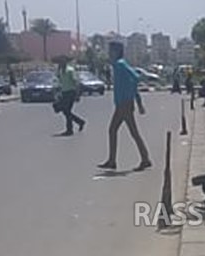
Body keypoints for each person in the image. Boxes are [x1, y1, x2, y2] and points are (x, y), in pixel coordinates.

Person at [98, 42, 152, 171]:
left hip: (124, 104)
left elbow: (135, 78)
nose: (109, 53)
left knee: (127, 131)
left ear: (116, 51)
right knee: (116, 130)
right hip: (122, 104)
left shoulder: (120, 64)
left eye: (111, 51)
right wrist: (138, 102)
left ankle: (144, 159)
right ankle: (113, 160)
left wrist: (137, 101)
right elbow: (133, 81)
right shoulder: (118, 65)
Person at [56, 58, 86, 136]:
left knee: (66, 110)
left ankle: (70, 130)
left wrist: (77, 94)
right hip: (64, 93)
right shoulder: (60, 71)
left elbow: (75, 82)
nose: (61, 64)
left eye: (62, 62)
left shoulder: (70, 70)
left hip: (71, 92)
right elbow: (59, 80)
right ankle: (80, 122)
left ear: (65, 62)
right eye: (60, 62)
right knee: (66, 111)